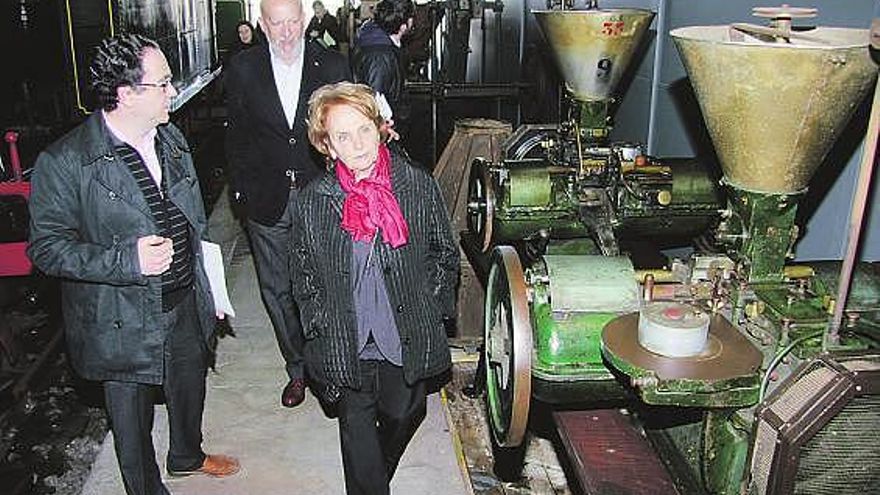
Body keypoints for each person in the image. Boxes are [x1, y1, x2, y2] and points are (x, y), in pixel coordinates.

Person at [27, 33, 239, 495]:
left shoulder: (170, 137)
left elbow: (193, 221)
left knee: (189, 383)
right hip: (121, 316)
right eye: (162, 84)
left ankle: (187, 454)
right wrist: (128, 260)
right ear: (126, 94)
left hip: (183, 295)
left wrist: (210, 287)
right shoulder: (66, 162)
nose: (173, 91)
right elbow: (45, 249)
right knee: (131, 420)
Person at [292, 82, 458, 495]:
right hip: (344, 337)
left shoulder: (415, 184)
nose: (358, 145)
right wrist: (317, 324)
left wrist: (432, 307)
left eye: (364, 130)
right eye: (342, 136)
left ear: (381, 128)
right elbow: (303, 272)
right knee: (356, 428)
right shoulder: (315, 200)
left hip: (403, 328)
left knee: (404, 412)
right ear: (326, 146)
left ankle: (374, 472)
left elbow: (444, 252)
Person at [224, 0, 349, 408]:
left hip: (322, 197)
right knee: (278, 290)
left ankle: (329, 366)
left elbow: (347, 129)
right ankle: (297, 369)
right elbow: (237, 135)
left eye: (293, 22)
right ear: (263, 25)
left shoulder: (332, 66)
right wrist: (240, 191)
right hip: (267, 199)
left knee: (327, 284)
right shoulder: (243, 69)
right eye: (276, 24)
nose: (286, 32)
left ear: (306, 20)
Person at [351, 0, 415, 145]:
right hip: (384, 136)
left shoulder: (379, 44)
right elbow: (375, 99)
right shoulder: (380, 54)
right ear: (404, 24)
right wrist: (383, 132)